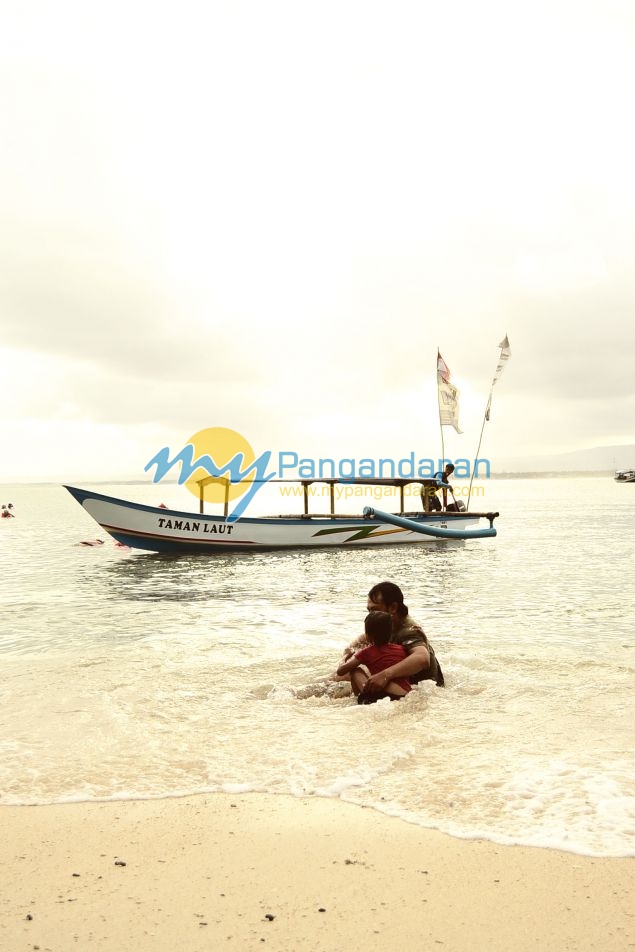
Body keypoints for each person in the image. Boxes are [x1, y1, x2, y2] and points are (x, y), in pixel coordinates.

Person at [340, 581, 444, 699]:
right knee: (338, 681)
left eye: (374, 610)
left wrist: (385, 675)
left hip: (421, 692)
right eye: (369, 611)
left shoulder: (409, 631)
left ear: (393, 608)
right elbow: (355, 645)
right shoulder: (386, 628)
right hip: (400, 688)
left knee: (343, 681)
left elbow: (422, 658)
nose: (370, 616)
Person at [336, 611, 412, 704]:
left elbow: (340, 672)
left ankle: (361, 699)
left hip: (382, 696)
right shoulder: (402, 649)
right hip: (404, 694)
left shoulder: (366, 652)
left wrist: (346, 659)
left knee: (355, 671)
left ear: (368, 636)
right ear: (391, 632)